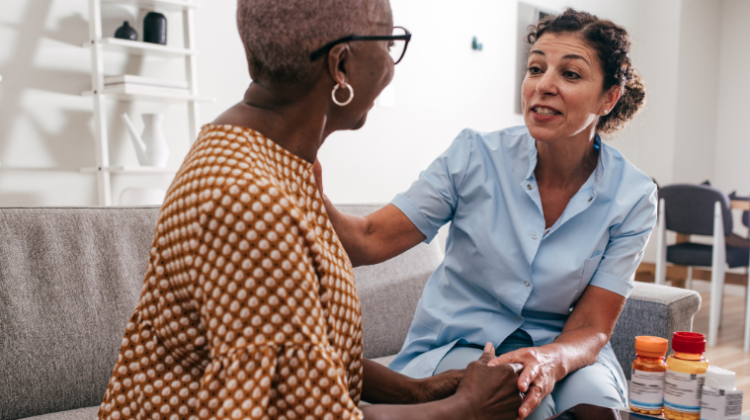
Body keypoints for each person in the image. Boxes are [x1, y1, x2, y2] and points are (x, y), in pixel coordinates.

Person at [95, 0, 523, 419]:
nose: (392, 66)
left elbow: (293, 356)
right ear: (340, 66)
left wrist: (417, 390)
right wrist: (468, 408)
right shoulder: (252, 204)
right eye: (390, 45)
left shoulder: (268, 158)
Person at [316, 8, 654, 420]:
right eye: (535, 68)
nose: (543, 85)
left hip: (561, 348)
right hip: (458, 344)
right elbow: (369, 237)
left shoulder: (633, 195)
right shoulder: (474, 155)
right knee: (530, 407)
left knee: (597, 411)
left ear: (609, 98)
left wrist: (550, 361)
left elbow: (593, 327)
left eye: (570, 74)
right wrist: (308, 187)